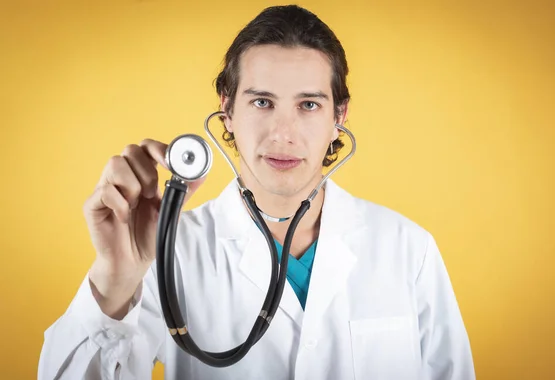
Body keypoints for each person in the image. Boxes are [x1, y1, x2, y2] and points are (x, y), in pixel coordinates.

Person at [38, 5, 475, 380]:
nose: (283, 134)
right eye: (262, 102)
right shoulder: (167, 251)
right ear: (226, 110)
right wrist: (114, 281)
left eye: (308, 105)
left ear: (339, 116)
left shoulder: (407, 249)